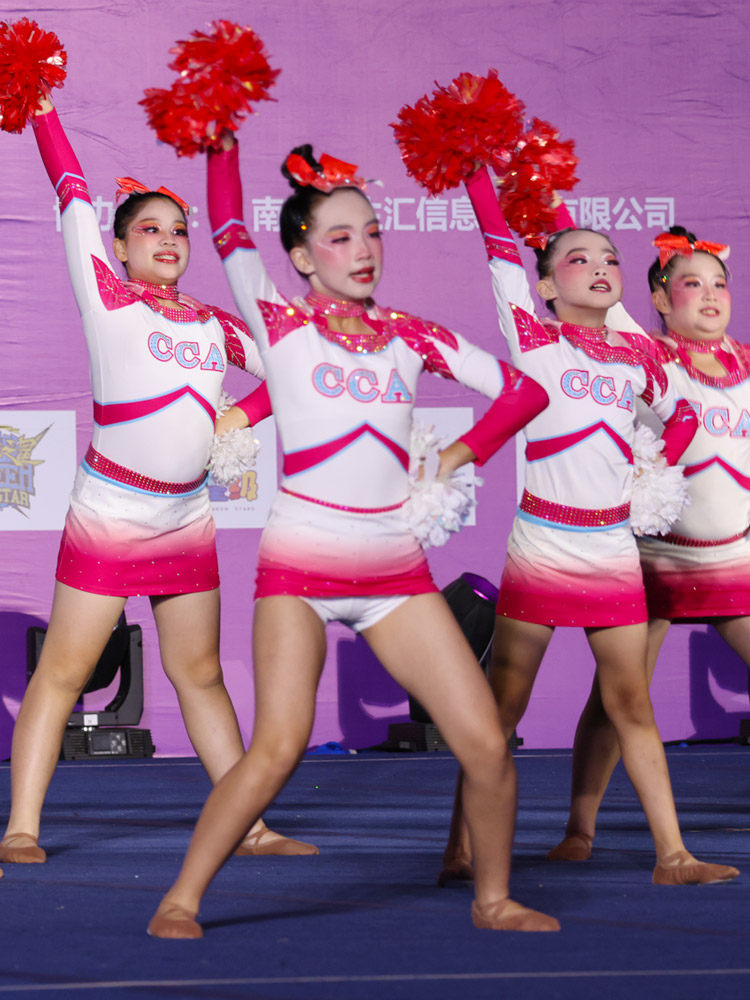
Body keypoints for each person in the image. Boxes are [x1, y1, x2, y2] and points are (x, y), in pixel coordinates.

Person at [146, 132, 557, 938]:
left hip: (396, 573)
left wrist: (457, 456)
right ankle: (181, 898)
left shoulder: (413, 334)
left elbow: (524, 393)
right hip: (299, 571)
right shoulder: (276, 322)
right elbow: (226, 224)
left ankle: (494, 899)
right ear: (302, 256)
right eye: (340, 237)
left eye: (372, 232)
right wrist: (223, 138)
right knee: (278, 747)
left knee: (486, 742)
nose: (364, 249)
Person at [0, 95, 317, 865]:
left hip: (186, 519)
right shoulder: (105, 295)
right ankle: (21, 828)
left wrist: (240, 416)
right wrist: (41, 110)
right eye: (150, 229)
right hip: (110, 511)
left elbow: (295, 365)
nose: (170, 240)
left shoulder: (213, 323)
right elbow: (72, 190)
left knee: (200, 673)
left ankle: (249, 826)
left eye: (180, 230)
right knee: (65, 672)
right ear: (117, 245)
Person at [438, 167, 740, 887]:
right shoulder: (532, 337)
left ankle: (673, 856)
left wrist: (654, 469)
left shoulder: (639, 355)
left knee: (630, 702)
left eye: (609, 259)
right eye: (579, 259)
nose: (601, 268)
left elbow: (683, 415)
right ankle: (461, 848)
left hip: (611, 548)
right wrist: (475, 170)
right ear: (545, 285)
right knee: (502, 707)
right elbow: (498, 247)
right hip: (542, 544)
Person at [548, 224, 750, 860]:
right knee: (616, 698)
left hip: (732, 559)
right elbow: (602, 296)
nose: (710, 296)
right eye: (692, 285)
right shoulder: (646, 356)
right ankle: (580, 828)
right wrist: (546, 204)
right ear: (660, 300)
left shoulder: (748, 363)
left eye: (719, 284)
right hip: (654, 560)